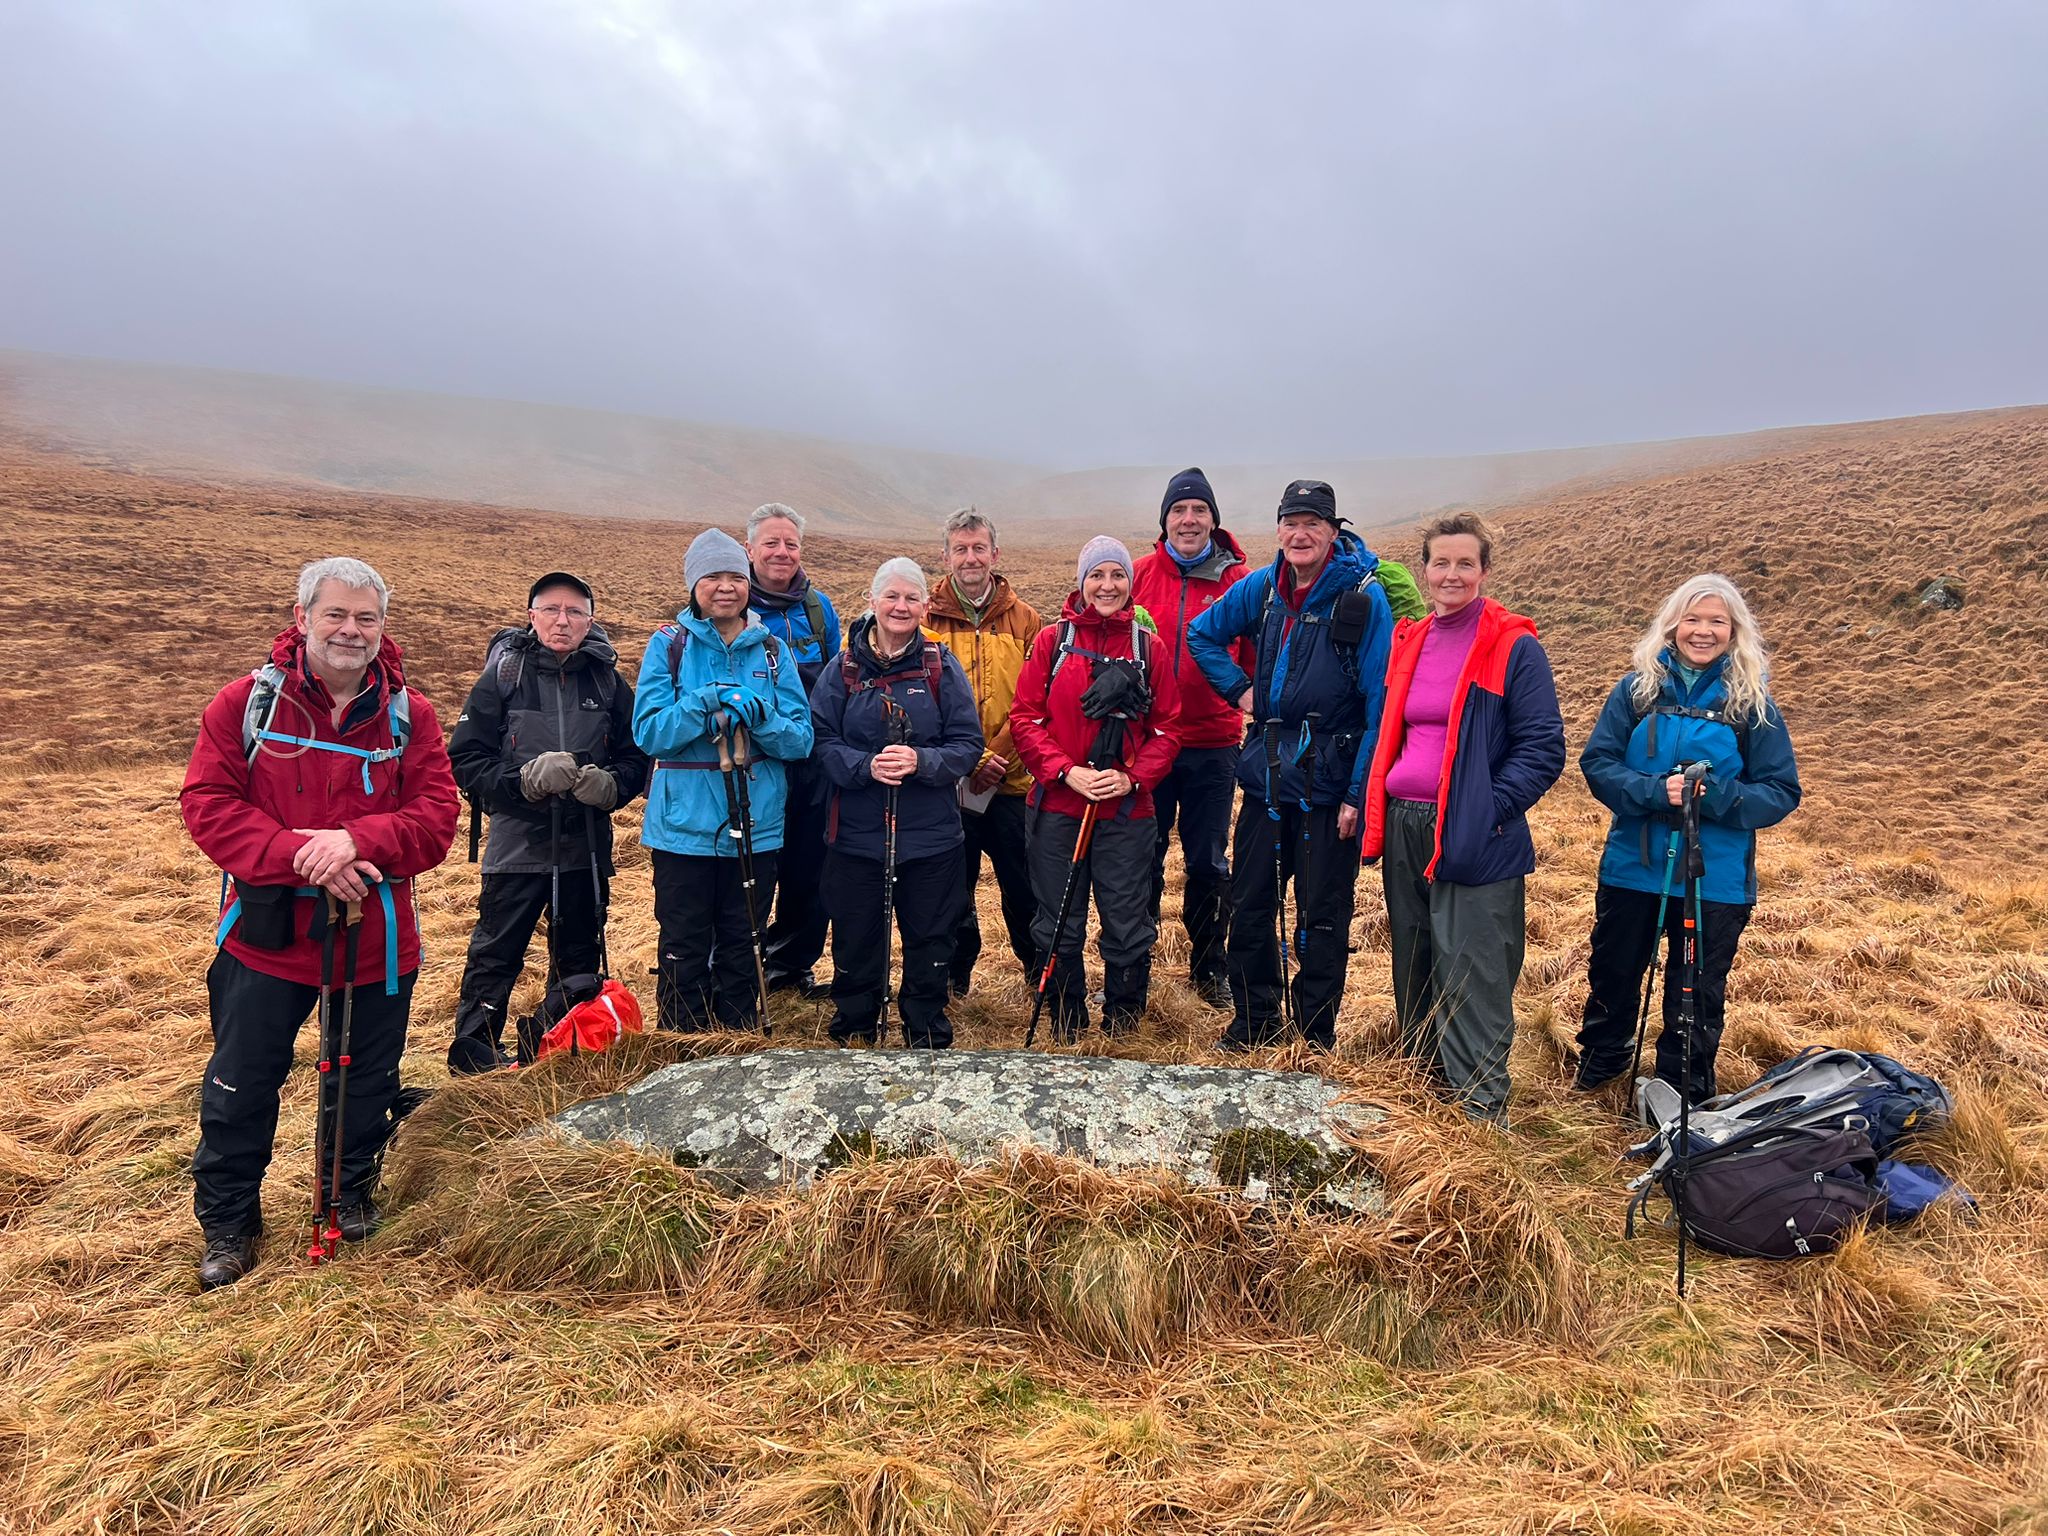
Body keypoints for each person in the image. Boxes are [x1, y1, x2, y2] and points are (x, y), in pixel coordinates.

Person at [181, 557, 459, 1288]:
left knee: (366, 1081)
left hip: (376, 940)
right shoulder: (244, 704)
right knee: (241, 1083)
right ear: (302, 618)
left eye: (366, 618)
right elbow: (208, 804)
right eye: (335, 614)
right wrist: (305, 855)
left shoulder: (410, 715)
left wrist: (357, 841)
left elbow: (436, 818)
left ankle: (349, 1195)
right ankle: (229, 1223)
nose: (350, 630)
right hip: (265, 939)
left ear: (383, 627)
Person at [1360, 512, 1566, 1124]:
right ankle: (1422, 1093)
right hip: (1406, 822)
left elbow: (1542, 747)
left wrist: (1485, 809)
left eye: (1465, 563)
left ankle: (1479, 1114)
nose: (1451, 574)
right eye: (1441, 562)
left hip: (1474, 833)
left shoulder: (1513, 646)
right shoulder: (1413, 639)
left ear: (1484, 570)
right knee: (1416, 959)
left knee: (1474, 967)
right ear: (1424, 570)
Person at [1574, 574, 1802, 1103]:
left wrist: (1714, 795)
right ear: (1672, 625)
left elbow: (1781, 790)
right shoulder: (1636, 690)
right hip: (1632, 867)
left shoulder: (1751, 703)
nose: (1703, 631)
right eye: (1692, 619)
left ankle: (1683, 1090)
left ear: (1733, 630)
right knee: (1612, 973)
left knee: (1695, 991)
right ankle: (1601, 1068)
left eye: (1717, 621)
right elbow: (1599, 764)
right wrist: (1658, 791)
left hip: (1712, 878)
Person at [1186, 481, 1395, 1051]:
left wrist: (1358, 793)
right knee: (1251, 903)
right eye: (1291, 523)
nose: (1300, 535)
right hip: (1268, 775)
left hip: (1331, 783)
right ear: (1278, 529)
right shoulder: (1264, 588)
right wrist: (1240, 691)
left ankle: (1313, 1035)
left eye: (1312, 524)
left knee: (1322, 916)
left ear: (1333, 530)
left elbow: (1379, 703)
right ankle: (1253, 1023)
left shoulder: (1363, 599)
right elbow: (1202, 633)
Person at [444, 571, 650, 1073]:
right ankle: (473, 1057)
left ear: (590, 622)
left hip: (585, 846)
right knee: (496, 954)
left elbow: (635, 755)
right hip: (516, 846)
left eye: (575, 611)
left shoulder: (607, 680)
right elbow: (465, 759)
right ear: (531, 616)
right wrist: (523, 782)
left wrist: (612, 786)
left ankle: (564, 1051)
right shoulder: (504, 675)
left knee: (578, 955)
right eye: (552, 609)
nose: (563, 620)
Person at [634, 528, 814, 1031]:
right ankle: (682, 1039)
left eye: (735, 576)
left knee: (744, 937)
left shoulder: (773, 651)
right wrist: (703, 702)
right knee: (683, 940)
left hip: (758, 822)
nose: (726, 587)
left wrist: (761, 718)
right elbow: (649, 733)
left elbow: (800, 740)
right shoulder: (668, 646)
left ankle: (738, 1037)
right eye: (712, 576)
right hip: (683, 826)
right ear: (694, 585)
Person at [1010, 537, 1182, 1038]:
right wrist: (1067, 771)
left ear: (1130, 582)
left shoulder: (1148, 648)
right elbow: (1025, 719)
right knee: (1057, 919)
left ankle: (1123, 1028)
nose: (1107, 586)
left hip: (1127, 814)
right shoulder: (1052, 642)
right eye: (1097, 575)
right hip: (1058, 808)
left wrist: (1131, 777)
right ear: (1081, 582)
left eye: (1117, 575)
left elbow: (1168, 729)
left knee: (1127, 920)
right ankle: (1067, 1022)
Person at [809, 558, 984, 1047]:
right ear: (872, 601)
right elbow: (819, 740)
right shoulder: (843, 668)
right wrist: (865, 767)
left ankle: (925, 1032)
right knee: (856, 935)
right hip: (856, 836)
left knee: (930, 936)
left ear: (925, 606)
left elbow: (967, 744)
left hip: (931, 839)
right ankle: (855, 1030)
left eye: (911, 598)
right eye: (891, 596)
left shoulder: (940, 666)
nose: (900, 606)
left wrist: (921, 761)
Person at [1130, 467, 1252, 1009]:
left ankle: (1209, 968)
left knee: (1207, 862)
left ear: (1213, 519)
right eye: (1178, 510)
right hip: (1147, 746)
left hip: (1214, 744)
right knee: (1143, 856)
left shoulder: (1239, 582)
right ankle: (1135, 964)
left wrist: (1245, 704)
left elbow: (1254, 659)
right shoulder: (1135, 575)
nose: (1188, 519)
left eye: (1199, 510)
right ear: (1165, 520)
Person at [924, 508, 1044, 997]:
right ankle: (953, 978)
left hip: (1013, 782)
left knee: (1027, 885)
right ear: (945, 556)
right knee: (953, 887)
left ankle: (1040, 973)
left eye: (978, 548)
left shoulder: (1027, 619)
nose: (970, 558)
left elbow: (1037, 698)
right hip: (948, 785)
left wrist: (997, 756)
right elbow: (920, 701)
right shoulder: (925, 619)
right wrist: (970, 759)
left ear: (995, 554)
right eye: (960, 549)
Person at [744, 504, 844, 999]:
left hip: (812, 761)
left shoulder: (819, 609)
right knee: (754, 865)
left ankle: (790, 966)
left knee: (810, 867)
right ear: (749, 549)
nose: (781, 552)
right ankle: (741, 964)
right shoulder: (729, 604)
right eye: (771, 543)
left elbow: (838, 680)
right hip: (755, 762)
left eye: (791, 544)